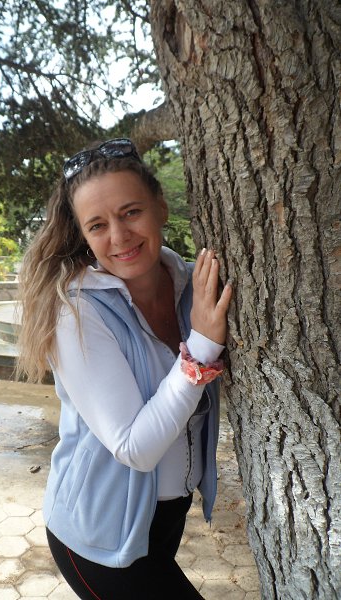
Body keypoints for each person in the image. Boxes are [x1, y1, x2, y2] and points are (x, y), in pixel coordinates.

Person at [17, 138, 232, 599]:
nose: (118, 236)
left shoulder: (192, 285)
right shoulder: (76, 312)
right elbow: (134, 447)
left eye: (131, 212)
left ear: (160, 207)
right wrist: (200, 348)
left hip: (166, 516)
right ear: (83, 235)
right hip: (97, 537)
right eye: (97, 225)